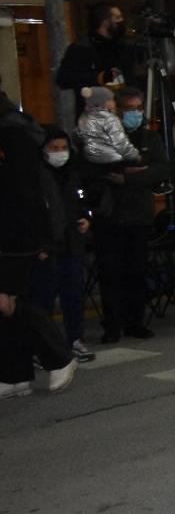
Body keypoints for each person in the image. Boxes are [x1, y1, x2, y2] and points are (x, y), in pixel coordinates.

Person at [0, 101, 77, 398]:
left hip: (15, 238)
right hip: (14, 234)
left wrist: (40, 241)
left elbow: (28, 196)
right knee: (7, 309)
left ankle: (58, 356)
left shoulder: (12, 136)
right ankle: (14, 373)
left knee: (12, 303)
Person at [88, 87, 167, 343]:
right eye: (128, 109)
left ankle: (135, 322)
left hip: (139, 215)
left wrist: (131, 177)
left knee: (136, 272)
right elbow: (99, 168)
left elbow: (161, 169)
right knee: (111, 273)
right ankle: (113, 324)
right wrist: (130, 171)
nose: (134, 114)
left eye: (138, 109)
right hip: (109, 216)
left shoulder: (149, 137)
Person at [32, 128, 94, 362]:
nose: (60, 153)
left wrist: (86, 219)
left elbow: (82, 201)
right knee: (44, 298)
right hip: (47, 246)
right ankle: (44, 348)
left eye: (63, 148)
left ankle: (75, 340)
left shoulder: (73, 173)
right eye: (54, 149)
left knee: (73, 295)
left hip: (72, 243)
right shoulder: (37, 175)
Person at [56, 3, 136, 114]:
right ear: (105, 22)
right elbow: (63, 79)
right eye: (117, 18)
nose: (122, 21)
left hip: (121, 114)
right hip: (92, 117)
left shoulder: (123, 47)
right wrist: (98, 78)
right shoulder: (80, 49)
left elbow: (130, 80)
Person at [76, 86, 140, 166]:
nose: (114, 102)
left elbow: (78, 136)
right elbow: (120, 141)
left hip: (90, 158)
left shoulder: (84, 117)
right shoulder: (109, 118)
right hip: (111, 159)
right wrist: (134, 155)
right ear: (102, 102)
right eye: (111, 100)